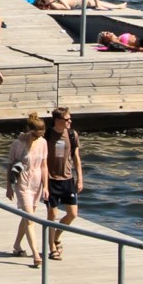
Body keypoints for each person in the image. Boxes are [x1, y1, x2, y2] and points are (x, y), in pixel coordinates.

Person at [6, 115, 49, 268]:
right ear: (30, 131)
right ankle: (36, 254)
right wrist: (8, 187)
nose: (39, 137)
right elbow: (10, 165)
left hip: (36, 183)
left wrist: (46, 186)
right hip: (23, 183)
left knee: (27, 217)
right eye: (36, 135)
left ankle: (17, 245)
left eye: (41, 134)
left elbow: (44, 165)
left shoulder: (43, 142)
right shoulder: (18, 144)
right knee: (30, 219)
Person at [42, 107, 83, 259]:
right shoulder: (47, 135)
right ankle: (52, 248)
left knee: (72, 214)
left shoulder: (72, 134)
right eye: (67, 119)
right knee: (52, 214)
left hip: (67, 179)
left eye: (70, 118)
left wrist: (80, 178)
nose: (69, 121)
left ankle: (56, 236)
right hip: (51, 179)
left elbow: (76, 157)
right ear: (57, 120)